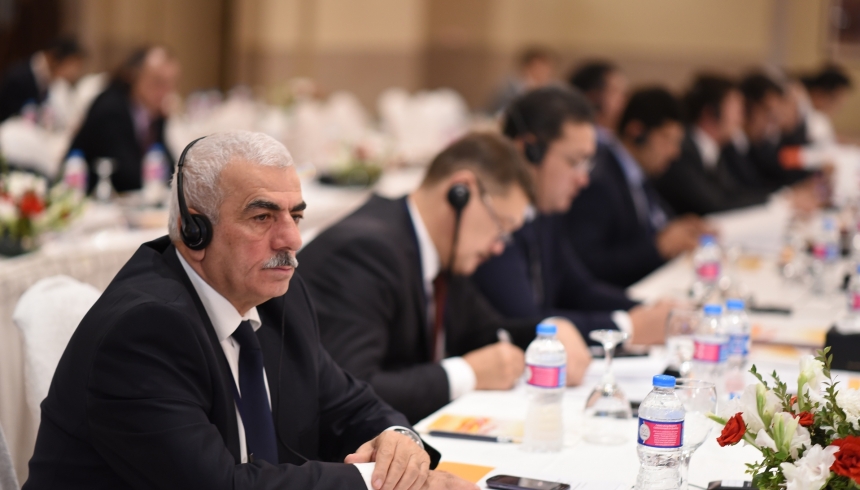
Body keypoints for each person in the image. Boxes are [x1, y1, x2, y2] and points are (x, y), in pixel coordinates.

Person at [25, 131, 477, 490]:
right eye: (262, 218)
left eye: (295, 216)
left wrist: (401, 442)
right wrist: (377, 483)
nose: (291, 240)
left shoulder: (278, 297)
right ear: (194, 230)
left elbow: (349, 404)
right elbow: (220, 484)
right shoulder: (144, 331)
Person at [299, 132, 592, 423]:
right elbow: (351, 393)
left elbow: (487, 332)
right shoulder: (366, 250)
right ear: (460, 192)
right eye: (500, 227)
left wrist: (547, 333)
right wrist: (467, 374)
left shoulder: (444, 253)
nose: (498, 247)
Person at [473, 86, 672, 348]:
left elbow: (578, 288)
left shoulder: (546, 212)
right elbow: (525, 321)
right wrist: (627, 327)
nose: (583, 179)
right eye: (574, 161)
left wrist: (649, 310)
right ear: (528, 151)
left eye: (587, 163)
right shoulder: (493, 219)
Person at [566, 87, 708, 288]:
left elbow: (655, 221)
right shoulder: (599, 181)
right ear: (636, 131)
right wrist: (657, 248)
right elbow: (589, 264)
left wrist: (679, 228)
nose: (675, 152)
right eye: (666, 139)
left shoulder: (635, 171)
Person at [652, 74, 771, 216]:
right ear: (710, 112)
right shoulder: (682, 150)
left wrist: (776, 198)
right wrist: (776, 200)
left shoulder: (717, 149)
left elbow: (733, 192)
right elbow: (715, 204)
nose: (741, 118)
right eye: (736, 109)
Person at [69, 45, 178, 194]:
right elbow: (126, 175)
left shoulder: (154, 113)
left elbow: (168, 167)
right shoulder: (110, 107)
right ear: (133, 75)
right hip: (87, 197)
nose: (165, 91)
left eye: (170, 83)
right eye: (158, 81)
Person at [0, 36, 86, 122]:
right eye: (72, 65)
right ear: (54, 58)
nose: (74, 72)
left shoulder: (52, 80)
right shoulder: (19, 78)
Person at [487, 46, 558, 115]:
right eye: (539, 67)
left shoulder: (552, 88)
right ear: (527, 66)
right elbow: (501, 111)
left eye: (546, 67)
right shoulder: (511, 86)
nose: (543, 71)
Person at [569, 60, 629, 137]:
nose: (623, 99)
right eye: (615, 91)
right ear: (592, 95)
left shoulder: (615, 137)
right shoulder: (578, 136)